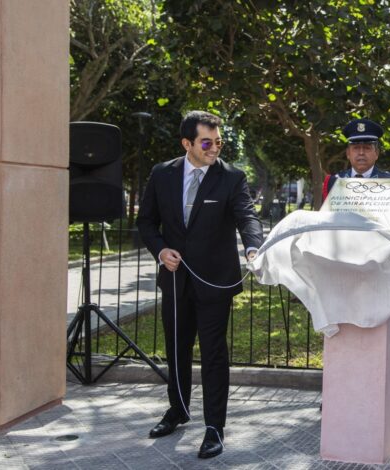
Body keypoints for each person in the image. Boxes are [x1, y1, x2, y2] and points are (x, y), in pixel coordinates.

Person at [136, 111, 264, 458]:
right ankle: (177, 410)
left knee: (213, 355)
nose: (214, 149)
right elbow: (146, 221)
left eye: (218, 142)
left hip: (214, 282)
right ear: (187, 143)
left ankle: (213, 427)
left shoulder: (232, 177)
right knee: (177, 349)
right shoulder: (162, 174)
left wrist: (253, 246)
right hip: (175, 281)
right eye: (206, 142)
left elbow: (247, 216)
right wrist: (161, 250)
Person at [323, 118, 390, 226]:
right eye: (356, 148)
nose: (361, 152)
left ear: (376, 153)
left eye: (367, 148)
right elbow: (325, 220)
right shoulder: (333, 182)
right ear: (348, 153)